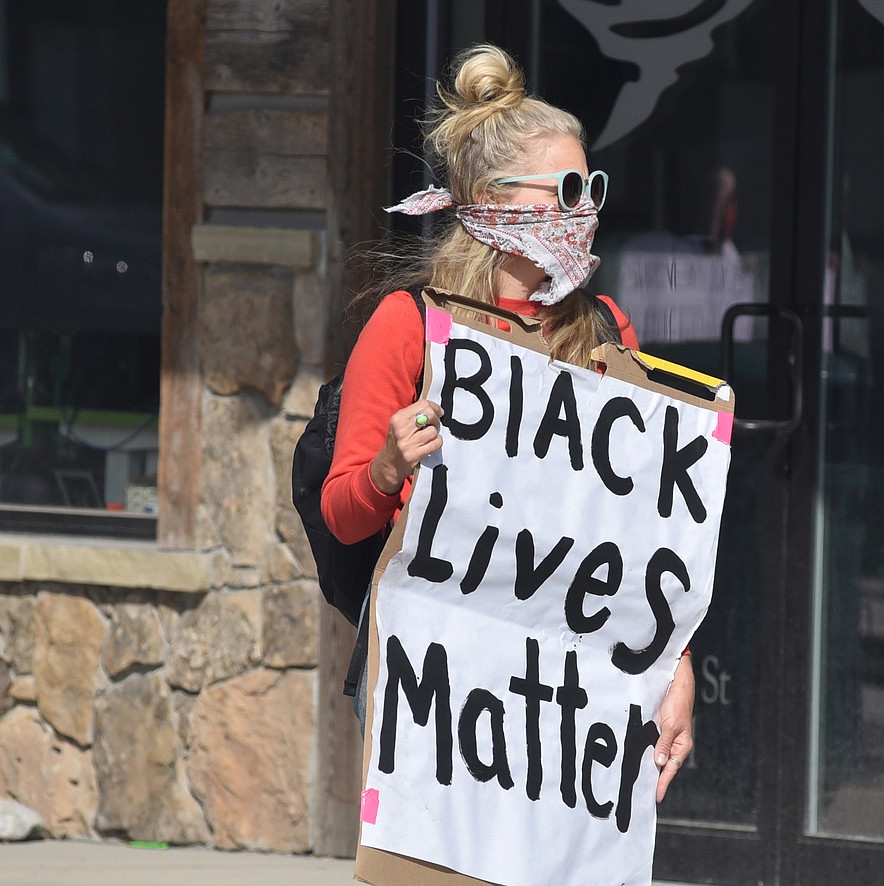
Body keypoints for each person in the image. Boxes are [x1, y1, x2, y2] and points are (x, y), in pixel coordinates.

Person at [320, 43, 694, 804]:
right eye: (562, 189)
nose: (581, 210)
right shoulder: (409, 327)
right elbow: (342, 515)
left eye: (590, 187)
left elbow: (640, 535)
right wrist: (388, 470)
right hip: (440, 673)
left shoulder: (606, 330)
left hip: (568, 677)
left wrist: (675, 665)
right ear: (490, 202)